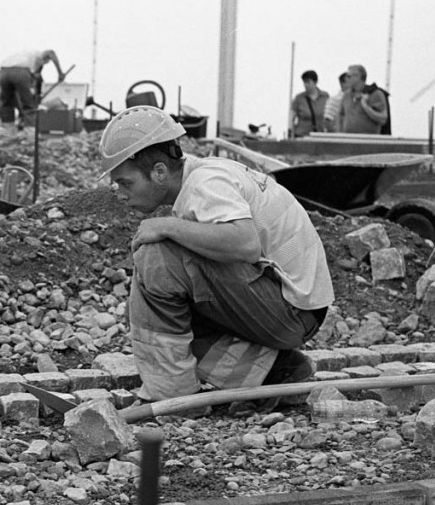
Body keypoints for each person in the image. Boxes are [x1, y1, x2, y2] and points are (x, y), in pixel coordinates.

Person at [98, 106, 333, 410]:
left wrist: (166, 225)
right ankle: (275, 371)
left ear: (158, 172)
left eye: (125, 182)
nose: (119, 192)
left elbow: (244, 243)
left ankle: (174, 398)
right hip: (294, 309)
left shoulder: (206, 183)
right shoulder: (203, 177)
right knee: (167, 294)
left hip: (293, 311)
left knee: (157, 260)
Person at [0, 49, 65, 130]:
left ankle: (8, 129)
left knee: (7, 104)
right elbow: (51, 52)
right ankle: (30, 131)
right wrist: (60, 73)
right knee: (28, 106)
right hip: (20, 71)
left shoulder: (23, 56)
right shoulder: (37, 55)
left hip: (3, 72)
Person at [341, 64, 389, 134]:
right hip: (348, 140)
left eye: (348, 76)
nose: (346, 79)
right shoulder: (346, 96)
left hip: (368, 140)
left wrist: (365, 106)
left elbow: (383, 119)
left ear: (357, 77)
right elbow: (341, 116)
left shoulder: (374, 93)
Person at [289, 70, 329, 138]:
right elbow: (292, 117)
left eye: (308, 82)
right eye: (304, 82)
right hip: (302, 135)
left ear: (315, 82)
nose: (305, 85)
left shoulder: (325, 97)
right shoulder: (299, 98)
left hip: (319, 135)